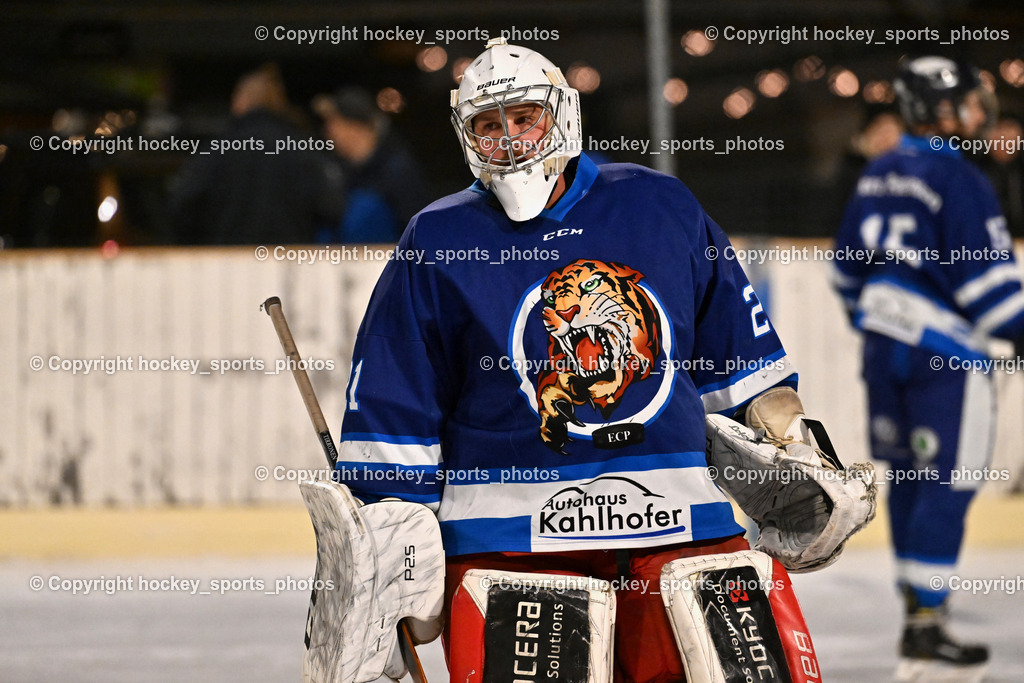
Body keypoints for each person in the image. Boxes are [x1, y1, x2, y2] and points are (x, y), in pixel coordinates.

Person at [333, 39, 861, 682]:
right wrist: (390, 557)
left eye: (524, 117)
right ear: (466, 136)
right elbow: (393, 409)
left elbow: (743, 366)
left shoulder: (661, 206)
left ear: (562, 114)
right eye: (487, 125)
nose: (509, 138)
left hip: (681, 532)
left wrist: (798, 442)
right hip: (510, 545)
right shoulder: (438, 238)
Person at [832, 56, 1024, 680]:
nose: (975, 114)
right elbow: (991, 294)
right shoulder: (961, 177)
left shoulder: (879, 171)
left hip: (883, 353)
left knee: (910, 480)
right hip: (947, 360)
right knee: (949, 480)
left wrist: (882, 323)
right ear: (946, 110)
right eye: (967, 103)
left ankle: (919, 619)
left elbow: (845, 274)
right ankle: (928, 626)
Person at [169, 63, 343, 245]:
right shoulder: (301, 148)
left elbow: (182, 204)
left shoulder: (218, 150)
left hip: (226, 263)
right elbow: (332, 207)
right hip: (288, 264)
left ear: (242, 101)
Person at [313, 87, 432, 243]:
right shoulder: (341, 169)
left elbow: (420, 229)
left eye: (333, 123)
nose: (327, 132)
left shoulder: (397, 169)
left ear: (353, 126)